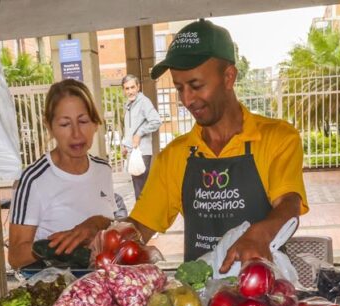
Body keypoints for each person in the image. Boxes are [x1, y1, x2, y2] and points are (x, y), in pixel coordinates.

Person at [128, 19, 308, 272]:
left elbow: (289, 203)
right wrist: (107, 229)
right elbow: (142, 225)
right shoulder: (175, 155)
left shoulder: (277, 138)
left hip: (262, 297)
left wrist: (260, 233)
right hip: (199, 301)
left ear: (228, 77)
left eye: (196, 85)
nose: (187, 99)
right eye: (180, 88)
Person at [8, 79, 116, 269]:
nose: (76, 134)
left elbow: (110, 226)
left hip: (102, 290)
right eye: (65, 124)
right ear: (49, 127)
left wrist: (95, 224)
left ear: (95, 123)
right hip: (56, 291)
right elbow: (16, 256)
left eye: (83, 121)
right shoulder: (34, 179)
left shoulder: (103, 170)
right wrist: (59, 247)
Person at [120, 74, 161, 200]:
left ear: (138, 87)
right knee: (139, 190)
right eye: (127, 88)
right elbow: (131, 129)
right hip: (133, 151)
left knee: (141, 191)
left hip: (142, 152)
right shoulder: (128, 106)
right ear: (123, 90)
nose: (130, 91)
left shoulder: (144, 102)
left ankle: (144, 218)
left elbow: (156, 121)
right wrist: (126, 145)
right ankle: (143, 217)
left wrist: (140, 134)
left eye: (132, 87)